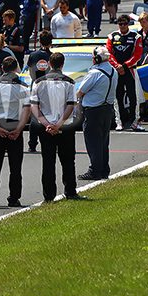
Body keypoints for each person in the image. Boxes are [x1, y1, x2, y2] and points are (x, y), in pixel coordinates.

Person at [30, 52, 86, 202]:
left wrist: (47, 124)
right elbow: (71, 105)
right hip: (65, 126)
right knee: (68, 161)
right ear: (62, 65)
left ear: (49, 64)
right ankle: (70, 192)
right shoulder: (70, 82)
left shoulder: (38, 82)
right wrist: (59, 123)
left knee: (48, 161)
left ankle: (48, 196)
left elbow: (34, 106)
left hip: (45, 127)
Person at [0, 55, 32, 207]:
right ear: (16, 69)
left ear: (2, 69)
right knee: (15, 166)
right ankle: (14, 198)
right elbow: (27, 110)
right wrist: (19, 129)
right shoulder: (23, 86)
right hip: (15, 124)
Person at [76, 45, 118, 182]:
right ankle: (104, 169)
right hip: (107, 109)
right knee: (103, 141)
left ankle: (95, 170)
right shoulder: (113, 71)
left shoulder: (95, 73)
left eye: (94, 57)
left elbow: (80, 91)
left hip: (94, 110)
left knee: (93, 141)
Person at [106, 14, 145, 131]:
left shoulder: (136, 36)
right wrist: (117, 66)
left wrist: (124, 66)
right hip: (117, 71)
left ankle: (135, 121)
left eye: (124, 24)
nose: (122, 26)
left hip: (131, 70)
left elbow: (137, 55)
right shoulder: (112, 36)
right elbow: (108, 53)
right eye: (120, 24)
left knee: (134, 96)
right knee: (117, 97)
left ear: (128, 24)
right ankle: (120, 122)